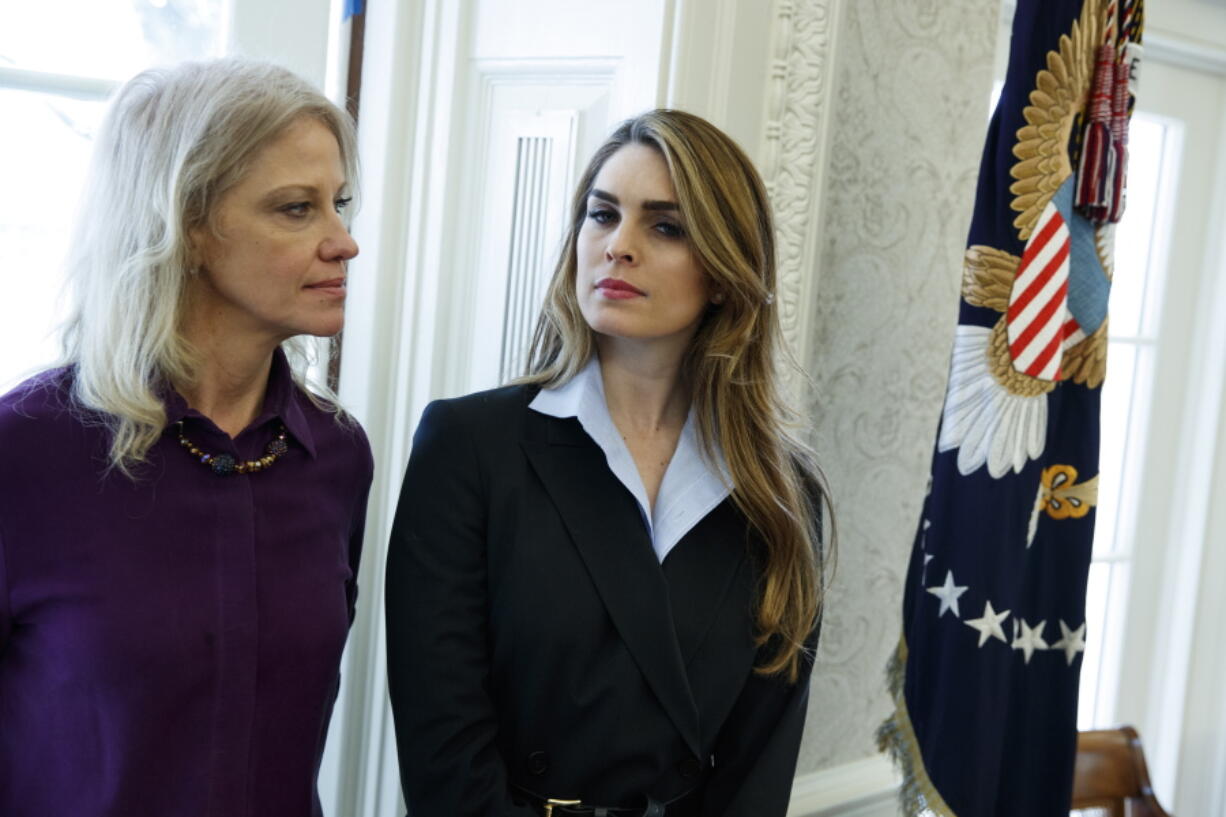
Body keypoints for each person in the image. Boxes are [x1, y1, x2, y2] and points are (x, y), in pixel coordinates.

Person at [386, 109, 831, 817]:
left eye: (665, 226)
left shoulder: (780, 490)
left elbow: (759, 764)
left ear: (723, 271)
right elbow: (442, 744)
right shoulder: (470, 446)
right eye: (602, 215)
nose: (618, 246)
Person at [0, 59, 373, 817]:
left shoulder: (336, 454)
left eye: (339, 204)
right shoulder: (25, 452)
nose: (345, 242)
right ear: (188, 226)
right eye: (297, 209)